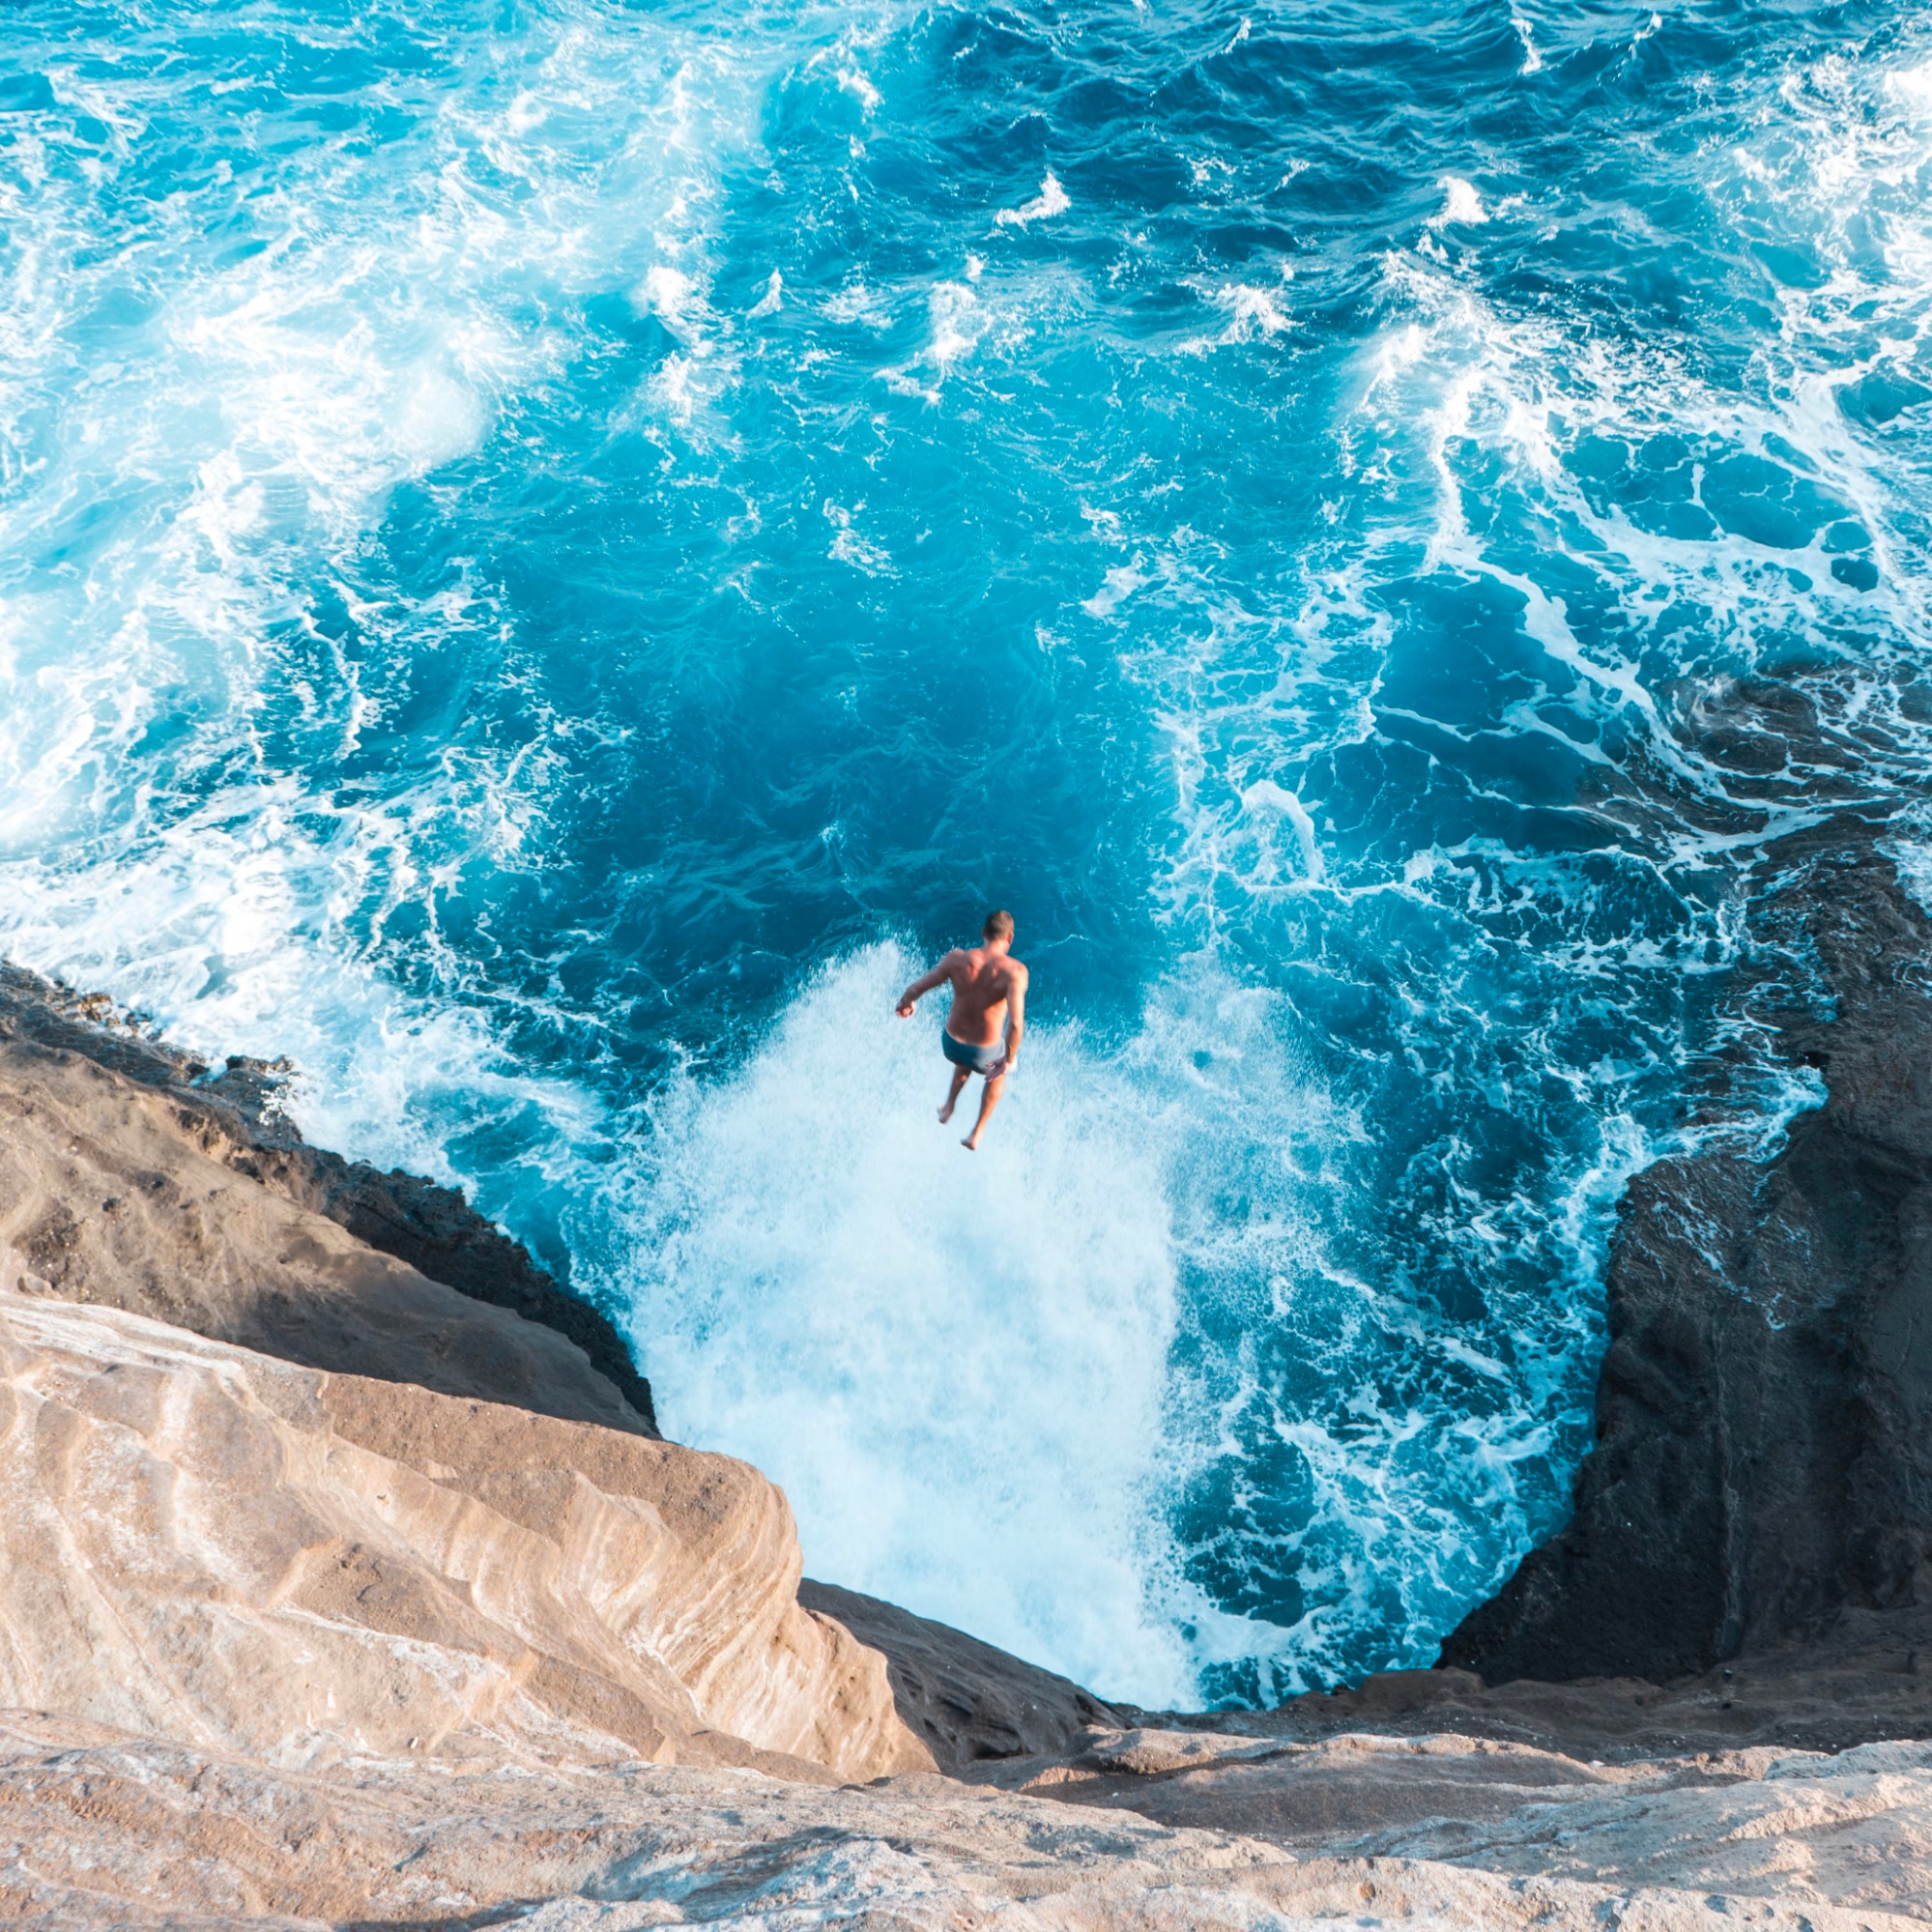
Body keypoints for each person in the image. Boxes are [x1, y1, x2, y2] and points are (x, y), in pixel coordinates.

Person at [894, 910, 1028, 1151]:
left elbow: (917, 988)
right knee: (998, 1073)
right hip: (983, 1053)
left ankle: (948, 1107)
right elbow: (1016, 1024)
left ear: (983, 933)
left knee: (964, 1059)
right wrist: (1007, 1060)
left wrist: (906, 1003)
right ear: (1010, 938)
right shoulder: (1014, 973)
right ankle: (976, 1133)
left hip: (951, 1044)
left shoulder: (956, 959)